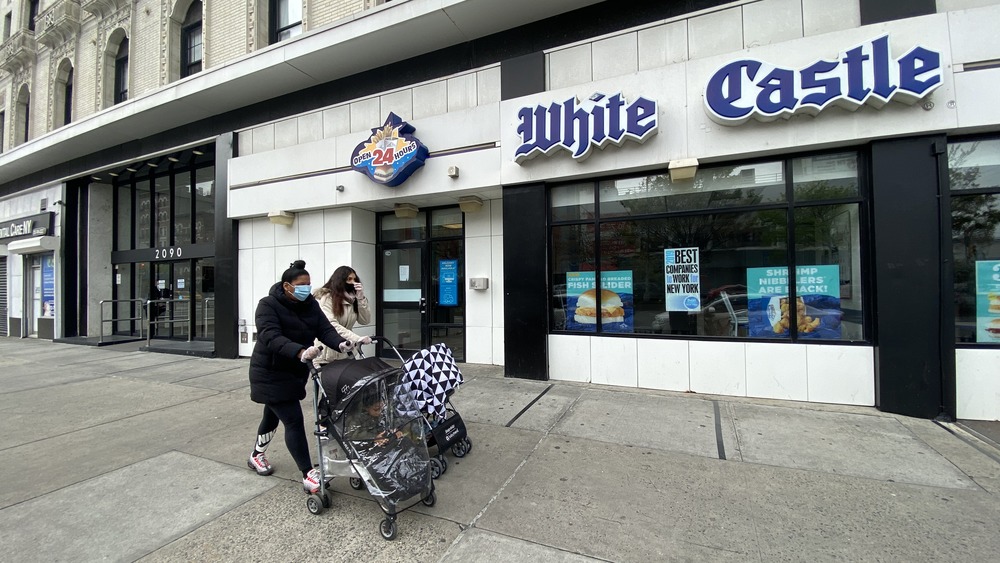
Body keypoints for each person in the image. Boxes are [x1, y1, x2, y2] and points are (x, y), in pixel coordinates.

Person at [247, 260, 353, 494]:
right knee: (292, 420)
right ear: (287, 286)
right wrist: (300, 351)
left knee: (272, 416)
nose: (307, 288)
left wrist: (341, 343)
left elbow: (325, 330)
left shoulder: (310, 305)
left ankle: (256, 455)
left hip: (294, 372)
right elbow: (270, 336)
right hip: (269, 373)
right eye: (302, 285)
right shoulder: (268, 305)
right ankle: (308, 474)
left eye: (309, 283)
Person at [312, 266, 373, 366]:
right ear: (340, 281)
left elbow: (365, 320)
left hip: (347, 351)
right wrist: (356, 338)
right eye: (349, 279)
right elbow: (331, 324)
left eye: (355, 279)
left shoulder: (353, 299)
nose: (353, 282)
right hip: (328, 353)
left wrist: (361, 299)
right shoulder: (327, 298)